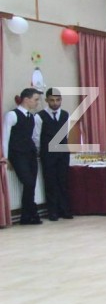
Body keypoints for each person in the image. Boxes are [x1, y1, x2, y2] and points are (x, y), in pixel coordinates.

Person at [3, 88, 43, 225]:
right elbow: (5, 137)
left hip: (30, 154)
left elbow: (33, 137)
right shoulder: (12, 115)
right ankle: (33, 213)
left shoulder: (31, 117)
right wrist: (6, 157)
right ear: (26, 99)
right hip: (17, 154)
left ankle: (26, 217)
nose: (37, 102)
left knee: (31, 185)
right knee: (28, 182)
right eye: (35, 99)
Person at [34, 88, 72, 221]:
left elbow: (66, 134)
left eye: (57, 100)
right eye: (52, 100)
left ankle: (65, 210)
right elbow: (37, 136)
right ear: (47, 100)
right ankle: (53, 211)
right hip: (47, 153)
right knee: (50, 182)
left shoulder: (66, 114)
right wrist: (40, 152)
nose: (55, 103)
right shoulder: (39, 116)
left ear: (61, 100)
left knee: (63, 181)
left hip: (62, 152)